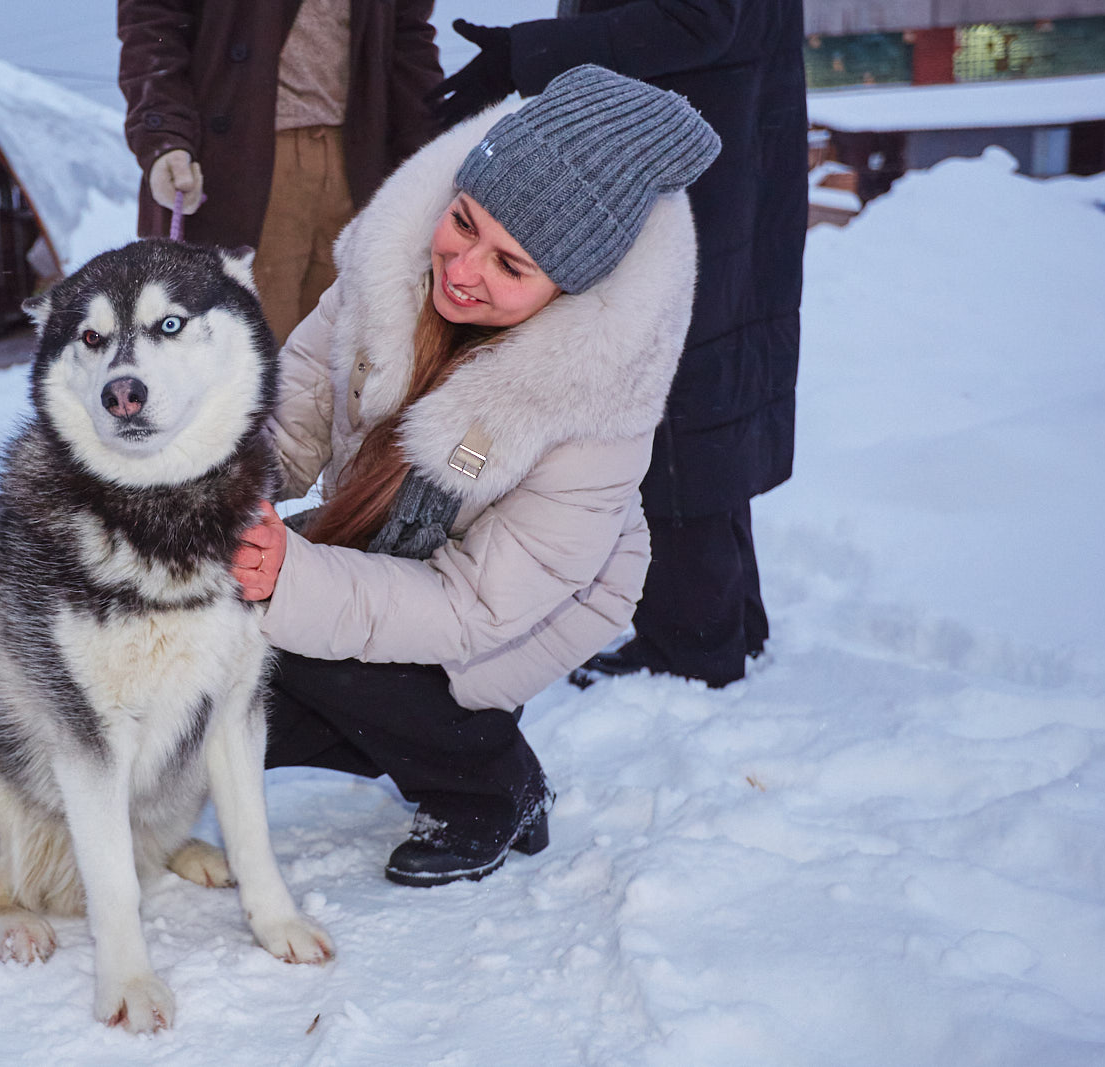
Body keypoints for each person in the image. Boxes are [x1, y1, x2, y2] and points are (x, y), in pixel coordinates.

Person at [227, 66, 720, 887]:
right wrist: (214, 494)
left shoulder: (596, 409)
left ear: (571, 287)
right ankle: (397, 726)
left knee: (312, 649)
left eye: (511, 266)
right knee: (225, 689)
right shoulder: (390, 272)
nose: (462, 270)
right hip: (387, 547)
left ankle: (492, 785)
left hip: (520, 606)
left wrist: (289, 579)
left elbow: (471, 610)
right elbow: (297, 408)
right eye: (463, 223)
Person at [427, 1, 808, 688]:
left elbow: (701, 18)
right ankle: (730, 627)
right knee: (701, 394)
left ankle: (692, 650)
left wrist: (529, 55)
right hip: (713, 147)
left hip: (691, 160)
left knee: (670, 399)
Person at [116, 1, 441, 343]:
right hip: (245, 165)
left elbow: (408, 35)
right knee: (250, 364)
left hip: (366, 162)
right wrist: (165, 135)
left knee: (351, 359)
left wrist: (430, 153)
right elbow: (154, 20)